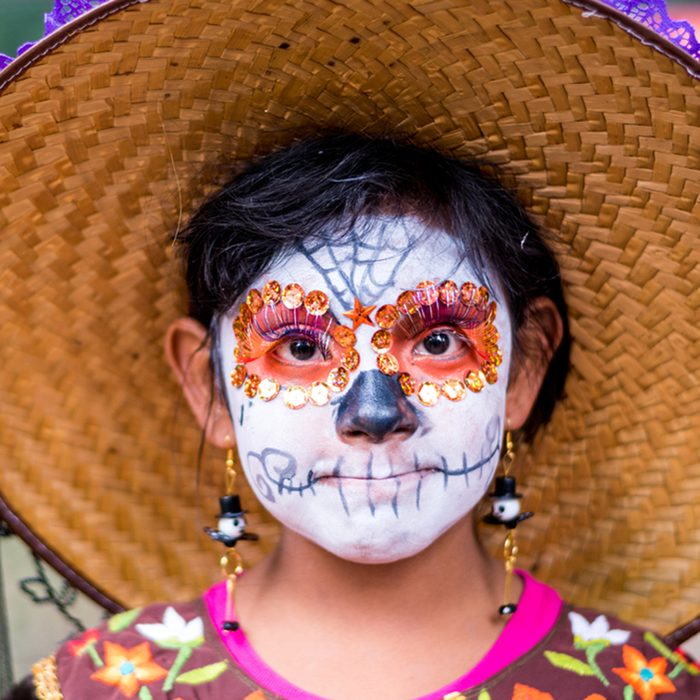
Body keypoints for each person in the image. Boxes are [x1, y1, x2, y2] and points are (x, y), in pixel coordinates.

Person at [0, 1, 698, 699]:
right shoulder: (99, 688)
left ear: (525, 367)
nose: (373, 412)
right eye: (300, 347)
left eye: (439, 340)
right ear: (209, 386)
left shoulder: (645, 690)